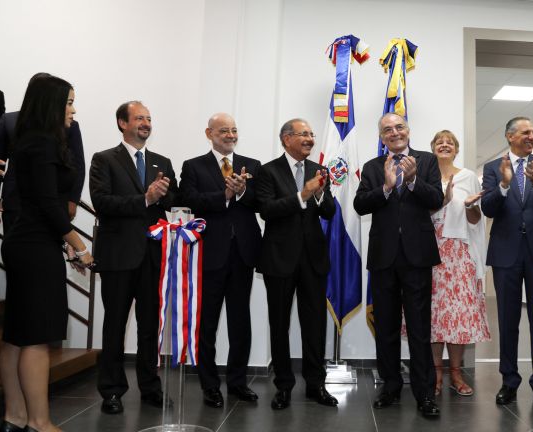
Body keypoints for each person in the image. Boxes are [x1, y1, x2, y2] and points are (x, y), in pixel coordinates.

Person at [0, 74, 93, 432]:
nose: (73, 109)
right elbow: (49, 206)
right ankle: (39, 422)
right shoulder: (42, 143)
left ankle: (14, 415)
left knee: (16, 334)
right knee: (37, 337)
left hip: (26, 242)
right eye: (69, 102)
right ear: (51, 104)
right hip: (35, 246)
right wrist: (79, 246)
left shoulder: (30, 140)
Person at [89, 101, 178, 414]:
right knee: (114, 325)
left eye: (149, 118)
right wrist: (145, 198)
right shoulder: (103, 160)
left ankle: (150, 386)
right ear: (121, 123)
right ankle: (112, 391)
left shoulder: (161, 161)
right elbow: (103, 203)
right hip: (118, 257)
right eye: (139, 118)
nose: (146, 123)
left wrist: (166, 199)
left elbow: (175, 201)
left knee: (149, 326)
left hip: (153, 257)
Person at [354, 113, 444, 417]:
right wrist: (387, 187)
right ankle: (390, 386)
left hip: (418, 255)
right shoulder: (371, 167)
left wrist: (415, 179)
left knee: (420, 328)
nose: (394, 133)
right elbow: (360, 204)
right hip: (384, 257)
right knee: (387, 327)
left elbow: (436, 198)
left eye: (399, 127)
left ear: (408, 131)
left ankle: (424, 394)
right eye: (387, 130)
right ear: (382, 137)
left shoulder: (427, 160)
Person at [254, 118, 338, 410]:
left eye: (312, 135)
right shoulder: (267, 171)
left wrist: (320, 193)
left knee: (314, 324)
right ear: (286, 138)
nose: (310, 139)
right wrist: (302, 195)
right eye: (304, 134)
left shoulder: (319, 170)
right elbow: (267, 210)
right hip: (279, 259)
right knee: (279, 324)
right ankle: (284, 386)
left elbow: (328, 212)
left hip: (313, 259)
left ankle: (316, 384)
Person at [179, 113, 262, 408]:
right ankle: (210, 385)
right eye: (224, 130)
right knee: (208, 323)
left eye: (234, 130)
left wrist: (241, 194)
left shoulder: (252, 165)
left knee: (241, 321)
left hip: (243, 254)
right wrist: (225, 194)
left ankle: (238, 382)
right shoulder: (193, 166)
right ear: (209, 133)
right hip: (208, 254)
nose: (230, 135)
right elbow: (189, 200)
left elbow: (260, 202)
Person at [481, 116, 533, 410]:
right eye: (526, 132)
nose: (532, 136)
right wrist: (503, 184)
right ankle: (509, 382)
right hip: (505, 252)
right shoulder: (493, 168)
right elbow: (488, 207)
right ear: (509, 136)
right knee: (508, 320)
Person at [428, 130, 490, 397]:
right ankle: (435, 372)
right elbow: (419, 214)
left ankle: (455, 372)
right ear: (433, 148)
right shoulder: (424, 176)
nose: (445, 145)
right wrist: (441, 199)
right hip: (429, 252)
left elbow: (476, 220)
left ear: (456, 149)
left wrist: (468, 206)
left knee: (459, 317)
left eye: (450, 142)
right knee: (434, 317)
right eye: (440, 142)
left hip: (459, 254)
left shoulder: (468, 177)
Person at [0, 73, 86, 235]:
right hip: (14, 200)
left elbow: (78, 165)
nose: (72, 109)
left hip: (54, 200)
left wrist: (73, 200)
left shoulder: (70, 125)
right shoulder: (8, 121)